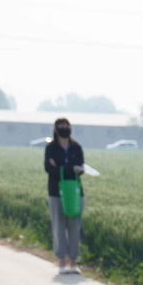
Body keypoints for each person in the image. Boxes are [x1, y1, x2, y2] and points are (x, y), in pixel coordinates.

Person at [44, 117, 85, 273]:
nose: (63, 128)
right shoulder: (51, 148)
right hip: (56, 192)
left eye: (66, 125)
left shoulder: (76, 148)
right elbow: (49, 169)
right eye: (60, 125)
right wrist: (70, 169)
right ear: (55, 129)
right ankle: (61, 261)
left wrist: (61, 167)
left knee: (74, 226)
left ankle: (73, 262)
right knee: (59, 226)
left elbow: (81, 168)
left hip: (75, 192)